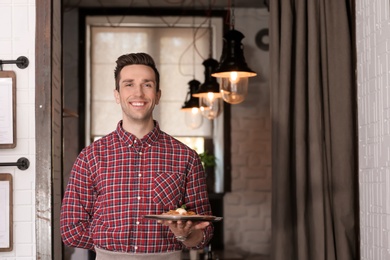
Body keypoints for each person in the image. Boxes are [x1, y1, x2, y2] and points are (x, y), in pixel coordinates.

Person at [60, 53, 213, 259]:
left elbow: (205, 233)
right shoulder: (91, 157)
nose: (138, 93)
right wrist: (111, 246)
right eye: (129, 84)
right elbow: (71, 228)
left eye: (147, 85)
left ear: (158, 95)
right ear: (117, 94)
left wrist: (185, 236)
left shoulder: (186, 157)